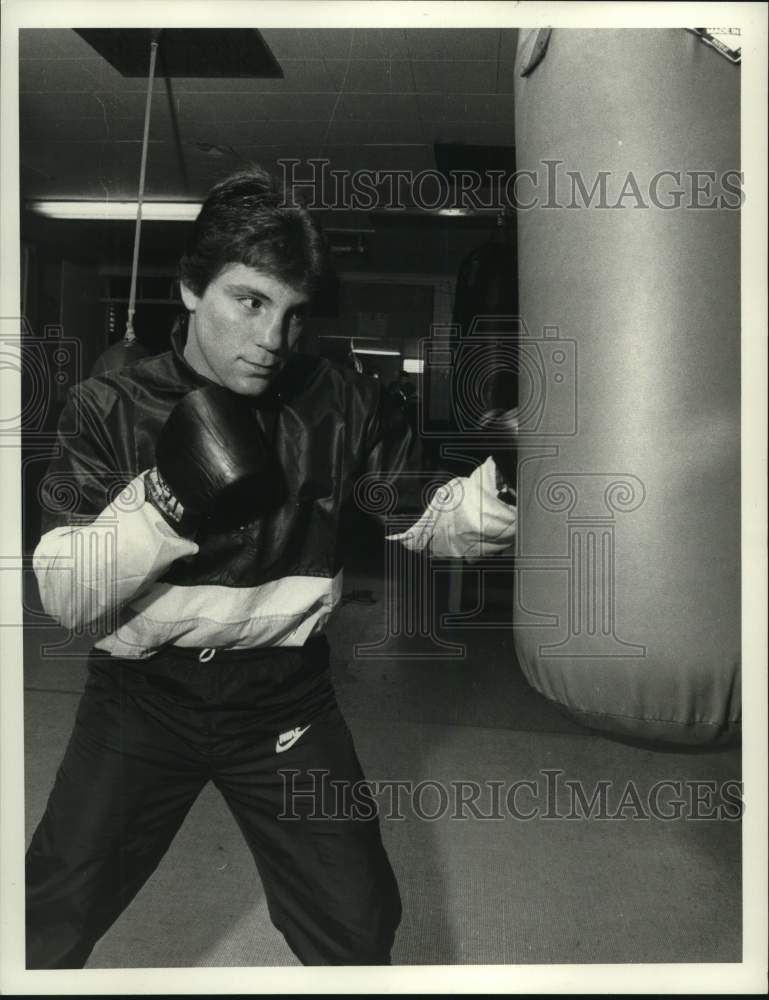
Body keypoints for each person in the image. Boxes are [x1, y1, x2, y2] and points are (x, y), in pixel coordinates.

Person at [27, 166, 518, 969]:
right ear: (192, 288)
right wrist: (163, 501)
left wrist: (499, 497)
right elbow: (65, 596)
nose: (270, 339)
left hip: (283, 700)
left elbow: (426, 513)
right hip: (142, 702)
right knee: (51, 913)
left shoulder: (341, 402)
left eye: (291, 313)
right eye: (248, 301)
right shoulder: (105, 408)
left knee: (357, 923)